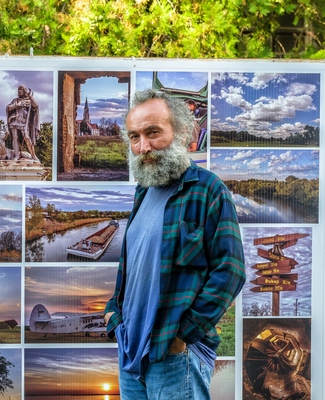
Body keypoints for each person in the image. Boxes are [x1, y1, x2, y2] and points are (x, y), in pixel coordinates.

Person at [104, 89, 246, 399]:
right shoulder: (143, 192)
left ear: (179, 132)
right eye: (135, 136)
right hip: (131, 353)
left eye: (153, 132)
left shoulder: (207, 189)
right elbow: (130, 265)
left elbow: (230, 271)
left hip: (175, 355)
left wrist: (182, 335)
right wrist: (113, 314)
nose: (144, 146)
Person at [6, 85, 40, 161]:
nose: (19, 91)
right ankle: (17, 155)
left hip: (24, 122)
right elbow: (8, 107)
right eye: (18, 90)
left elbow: (36, 105)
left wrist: (30, 97)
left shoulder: (29, 100)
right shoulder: (16, 100)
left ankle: (33, 155)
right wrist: (16, 105)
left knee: (27, 138)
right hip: (15, 121)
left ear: (24, 91)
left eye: (21, 90)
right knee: (15, 138)